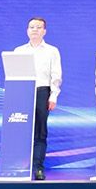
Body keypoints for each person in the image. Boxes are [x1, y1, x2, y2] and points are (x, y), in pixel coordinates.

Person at [13, 16, 62, 180]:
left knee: (40, 132)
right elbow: (14, 74)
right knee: (21, 130)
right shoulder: (19, 51)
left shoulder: (52, 51)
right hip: (22, 93)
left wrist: (53, 95)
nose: (35, 30)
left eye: (38, 27)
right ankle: (20, 167)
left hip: (42, 91)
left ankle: (38, 168)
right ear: (27, 30)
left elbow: (56, 75)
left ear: (44, 31)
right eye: (32, 27)